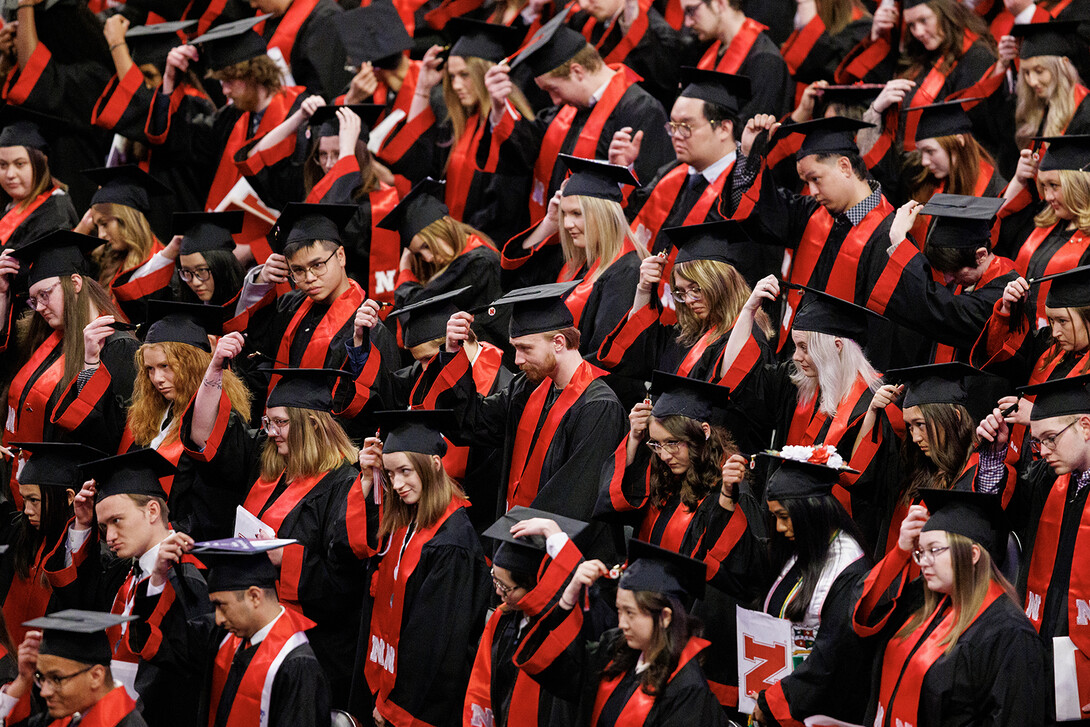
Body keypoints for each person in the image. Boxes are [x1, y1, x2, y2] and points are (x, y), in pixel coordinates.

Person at [184, 360, 366, 707]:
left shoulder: (344, 485)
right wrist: (212, 372)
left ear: (311, 425)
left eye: (281, 423)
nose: (271, 431)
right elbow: (205, 435)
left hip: (309, 650)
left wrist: (285, 556)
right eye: (268, 422)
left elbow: (345, 581)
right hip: (253, 629)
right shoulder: (269, 465)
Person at [426, 283, 628, 559]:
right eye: (514, 348)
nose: (517, 359)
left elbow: (573, 500)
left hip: (563, 564)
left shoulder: (598, 407)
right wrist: (452, 352)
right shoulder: (528, 389)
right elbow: (471, 424)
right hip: (518, 550)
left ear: (558, 342)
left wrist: (514, 562)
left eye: (525, 348)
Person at [721, 283, 899, 546]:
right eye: (795, 346)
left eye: (804, 347)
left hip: (837, 535)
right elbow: (737, 379)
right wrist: (748, 310)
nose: (796, 356)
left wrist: (872, 416)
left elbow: (869, 480)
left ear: (836, 345)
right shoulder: (796, 383)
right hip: (784, 527)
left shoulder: (874, 400)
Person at [44, 448, 209, 727]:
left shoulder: (185, 577)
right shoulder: (126, 573)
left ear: (152, 511)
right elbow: (77, 602)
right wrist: (83, 526)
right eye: (103, 526)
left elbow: (185, 671)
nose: (109, 537)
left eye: (116, 521)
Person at [852, 489, 1047, 725]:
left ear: (973, 554)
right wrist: (901, 550)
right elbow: (864, 621)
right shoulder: (922, 599)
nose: (923, 561)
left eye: (934, 550)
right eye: (920, 552)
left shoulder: (1009, 635)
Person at [350, 410, 489, 727]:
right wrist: (369, 478)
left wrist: (394, 707)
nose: (397, 484)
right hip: (386, 683)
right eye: (390, 474)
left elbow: (433, 644)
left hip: (423, 705)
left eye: (405, 472)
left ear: (434, 465)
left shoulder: (452, 543)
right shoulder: (406, 522)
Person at [511, 538, 728, 726]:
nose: (621, 623)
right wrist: (568, 597)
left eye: (630, 613)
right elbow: (562, 673)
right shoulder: (615, 649)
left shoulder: (688, 691)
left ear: (665, 617)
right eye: (619, 610)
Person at [976, 374, 1090, 722]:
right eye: (1038, 442)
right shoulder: (1049, 479)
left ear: (1085, 425)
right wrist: (995, 456)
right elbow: (1002, 515)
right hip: (1043, 640)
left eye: (1051, 439)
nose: (1044, 451)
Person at [149, 21, 308, 264]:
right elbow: (179, 145)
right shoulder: (230, 118)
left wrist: (255, 249)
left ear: (254, 73)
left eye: (229, 81)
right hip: (229, 251)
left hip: (280, 252)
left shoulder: (299, 113)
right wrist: (170, 78)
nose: (223, 90)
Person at [134, 538, 333, 727]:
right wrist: (159, 576)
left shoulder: (297, 665)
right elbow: (170, 642)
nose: (218, 618)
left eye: (222, 606)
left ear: (254, 596)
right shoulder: (222, 635)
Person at [483, 26, 672, 223]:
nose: (554, 100)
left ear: (577, 71)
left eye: (553, 89)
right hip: (556, 235)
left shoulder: (641, 110)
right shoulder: (567, 109)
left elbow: (651, 189)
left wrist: (625, 169)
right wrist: (499, 108)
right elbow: (525, 151)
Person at [226, 203, 398, 416]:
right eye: (298, 270)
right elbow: (253, 364)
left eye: (318, 265)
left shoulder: (368, 326)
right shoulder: (288, 307)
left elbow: (381, 402)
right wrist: (260, 282)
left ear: (341, 256)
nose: (309, 278)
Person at [598, 223, 774, 424]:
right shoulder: (686, 336)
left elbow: (736, 413)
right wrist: (644, 288)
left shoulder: (747, 340)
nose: (688, 300)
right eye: (681, 292)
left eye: (696, 289)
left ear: (721, 283)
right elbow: (637, 357)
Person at [1, 231, 138, 489]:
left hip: (77, 489)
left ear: (75, 283)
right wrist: (2, 294)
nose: (39, 307)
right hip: (33, 487)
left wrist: (89, 367)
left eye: (45, 294)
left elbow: (113, 436)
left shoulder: (118, 346)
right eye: (33, 300)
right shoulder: (48, 338)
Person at [380, 20, 534, 244]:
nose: (457, 85)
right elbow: (419, 166)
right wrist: (423, 87)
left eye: (464, 75)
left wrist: (460, 239)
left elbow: (505, 206)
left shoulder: (512, 130)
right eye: (452, 77)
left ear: (485, 73)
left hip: (488, 248)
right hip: (457, 244)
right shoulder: (462, 125)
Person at [751, 453, 873, 727]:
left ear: (810, 510)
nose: (780, 527)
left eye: (784, 516)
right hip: (782, 689)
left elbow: (832, 658)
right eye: (775, 517)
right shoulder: (803, 548)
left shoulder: (849, 569)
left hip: (816, 708)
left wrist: (775, 701)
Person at [504, 156, 644, 392]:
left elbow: (606, 353)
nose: (567, 224)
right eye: (564, 215)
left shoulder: (627, 271)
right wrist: (549, 222)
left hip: (594, 394)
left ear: (604, 215)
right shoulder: (578, 261)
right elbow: (516, 284)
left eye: (577, 214)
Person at [115, 301, 252, 540]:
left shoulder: (218, 418)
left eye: (165, 366)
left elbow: (215, 504)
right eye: (150, 369)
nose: (157, 378)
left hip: (189, 546)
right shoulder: (154, 413)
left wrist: (166, 535)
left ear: (192, 364)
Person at [621, 69, 770, 281]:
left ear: (723, 129)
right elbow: (631, 216)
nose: (676, 136)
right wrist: (622, 170)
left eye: (686, 126)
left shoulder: (745, 188)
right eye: (673, 126)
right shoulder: (670, 173)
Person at [872, 363, 1015, 554]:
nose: (915, 438)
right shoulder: (915, 469)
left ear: (954, 417)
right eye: (910, 427)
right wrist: (873, 410)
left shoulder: (976, 472)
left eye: (920, 424)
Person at [464, 507, 586, 727]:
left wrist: (555, 537)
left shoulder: (562, 629)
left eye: (506, 587)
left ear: (534, 585)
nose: (498, 592)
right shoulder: (502, 620)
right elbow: (481, 686)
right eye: (495, 580)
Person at [0, 0, 113, 210]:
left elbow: (38, 80)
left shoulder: (93, 78)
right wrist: (3, 66)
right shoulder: (22, 75)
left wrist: (26, 7)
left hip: (70, 196)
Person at [888, 194, 1017, 363]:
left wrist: (900, 244)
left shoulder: (1004, 294)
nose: (948, 279)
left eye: (954, 271)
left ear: (981, 256)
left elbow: (941, 310)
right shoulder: (967, 281)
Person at [378, 179, 506, 347]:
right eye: (419, 254)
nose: (428, 258)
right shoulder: (470, 255)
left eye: (426, 246)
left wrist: (405, 271)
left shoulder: (478, 265)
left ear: (445, 224)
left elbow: (416, 307)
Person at [0, 443, 92, 647]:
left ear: (69, 497)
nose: (26, 510)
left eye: (34, 500)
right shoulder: (18, 532)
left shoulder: (86, 551)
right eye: (24, 500)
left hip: (50, 668)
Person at [1000, 135, 1090, 328]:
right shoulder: (1042, 224)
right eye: (1043, 186)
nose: (1047, 196)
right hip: (1024, 339)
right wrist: (1018, 180)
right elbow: (996, 239)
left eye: (1054, 186)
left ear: (1078, 185)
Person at [16, 611, 149, 727]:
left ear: (96, 676)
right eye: (42, 678)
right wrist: (22, 680)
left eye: (57, 679)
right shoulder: (69, 715)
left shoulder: (125, 723)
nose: (44, 692)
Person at [77, 165, 172, 321]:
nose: (101, 235)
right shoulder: (108, 258)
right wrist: (83, 226)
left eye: (105, 223)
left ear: (126, 220)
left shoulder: (159, 266)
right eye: (97, 226)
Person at [676, 0, 792, 120]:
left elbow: (755, 131)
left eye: (691, 10)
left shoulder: (765, 60)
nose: (687, 22)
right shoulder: (708, 49)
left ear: (719, 4)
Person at [565, 0, 682, 108]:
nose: (583, 4)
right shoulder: (582, 20)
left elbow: (664, 89)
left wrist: (639, 43)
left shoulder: (660, 35)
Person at [0, 120, 78, 256]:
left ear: (42, 162)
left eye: (19, 164)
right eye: (2, 165)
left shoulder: (55, 210)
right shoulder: (5, 204)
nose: (10, 174)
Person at [171, 212, 248, 307]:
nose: (195, 282)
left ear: (222, 266)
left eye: (202, 270)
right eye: (186, 271)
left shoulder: (248, 304)